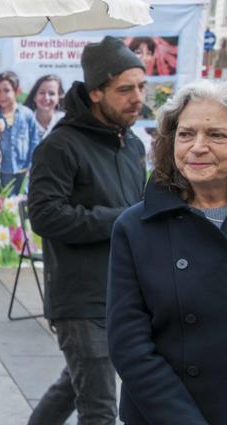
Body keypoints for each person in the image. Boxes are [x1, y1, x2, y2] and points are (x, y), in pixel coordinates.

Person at [27, 36, 147, 425]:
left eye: (141, 87)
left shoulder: (132, 145)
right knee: (100, 407)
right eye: (125, 89)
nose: (137, 98)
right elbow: (44, 216)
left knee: (74, 385)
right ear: (96, 92)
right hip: (79, 298)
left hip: (123, 292)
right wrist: (121, 219)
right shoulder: (60, 146)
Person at [107, 79, 227, 425]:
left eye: (216, 135)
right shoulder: (136, 227)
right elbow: (129, 345)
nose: (197, 147)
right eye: (186, 134)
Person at [0, 71, 41, 193]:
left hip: (24, 169)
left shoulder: (27, 114)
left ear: (17, 91)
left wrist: (32, 165)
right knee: (7, 203)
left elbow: (34, 141)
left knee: (25, 200)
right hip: (4, 170)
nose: (2, 95)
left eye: (6, 90)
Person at [23, 74, 65, 139]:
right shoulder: (23, 121)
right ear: (34, 96)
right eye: (42, 93)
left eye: (51, 93)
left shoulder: (64, 122)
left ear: (59, 98)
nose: (46, 98)